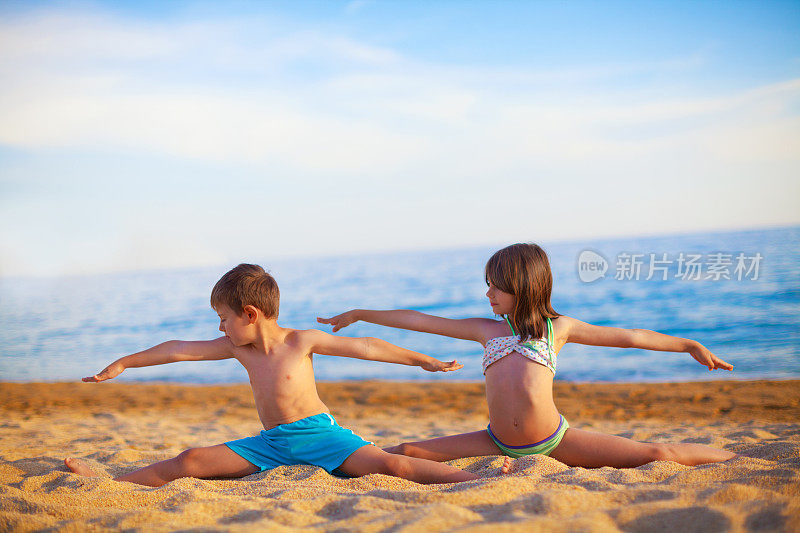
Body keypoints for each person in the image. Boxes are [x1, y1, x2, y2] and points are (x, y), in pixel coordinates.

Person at [318, 243, 737, 470]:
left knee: (657, 455)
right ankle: (335, 464)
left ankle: (736, 456)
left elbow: (630, 336)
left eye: (495, 287)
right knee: (406, 450)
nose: (488, 295)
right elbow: (419, 319)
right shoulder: (485, 331)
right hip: (496, 442)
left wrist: (689, 345)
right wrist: (361, 314)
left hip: (554, 442)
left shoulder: (559, 329)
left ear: (524, 285)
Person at [65, 263, 481, 487]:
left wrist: (422, 360)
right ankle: (112, 484)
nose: (220, 328)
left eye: (223, 318)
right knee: (188, 460)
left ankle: (473, 480)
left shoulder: (301, 341)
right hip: (273, 445)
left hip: (323, 437)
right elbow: (177, 350)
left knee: (396, 468)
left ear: (250, 314)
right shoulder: (237, 348)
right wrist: (124, 362)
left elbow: (368, 347)